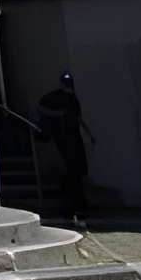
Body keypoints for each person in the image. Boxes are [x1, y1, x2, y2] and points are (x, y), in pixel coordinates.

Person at [37, 74, 92, 217]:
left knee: (78, 168)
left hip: (74, 136)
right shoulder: (56, 96)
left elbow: (78, 118)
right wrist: (57, 114)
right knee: (73, 167)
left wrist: (89, 134)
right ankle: (74, 202)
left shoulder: (73, 98)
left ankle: (78, 201)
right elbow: (41, 106)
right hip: (64, 136)